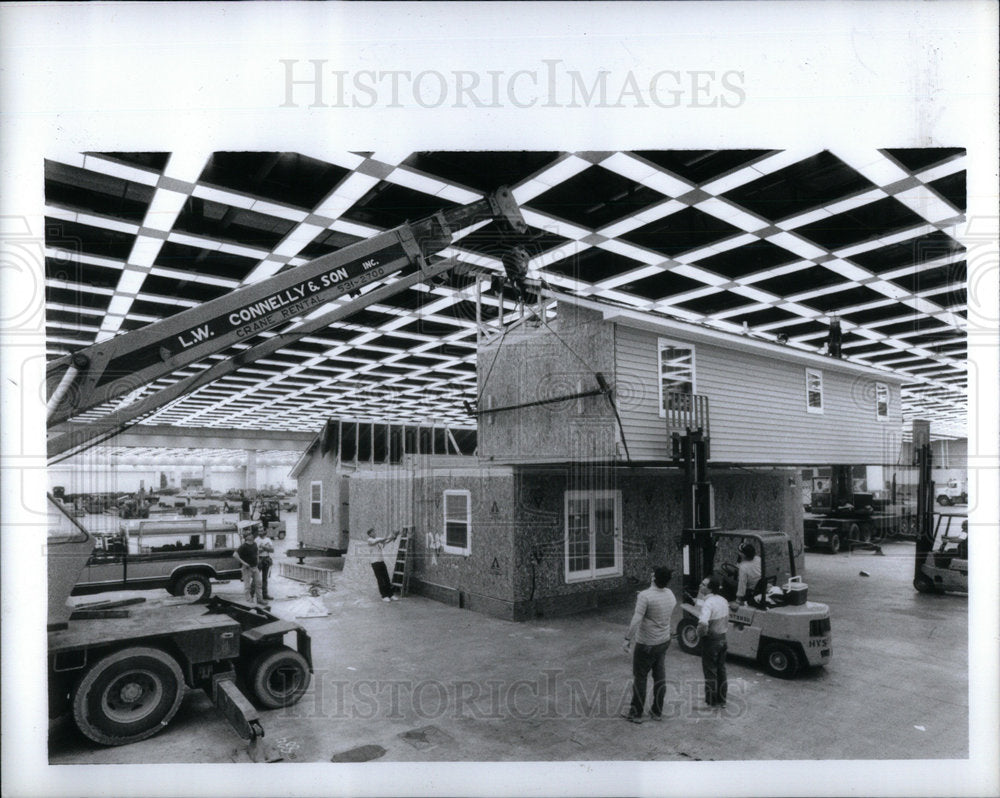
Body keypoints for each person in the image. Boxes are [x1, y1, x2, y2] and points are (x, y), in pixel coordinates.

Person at [622, 566, 676, 723]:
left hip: (646, 643)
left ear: (653, 577)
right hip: (663, 641)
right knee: (660, 677)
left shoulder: (645, 596)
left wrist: (627, 639)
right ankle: (657, 711)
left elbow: (637, 619)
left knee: (640, 677)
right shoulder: (670, 595)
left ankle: (636, 713)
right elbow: (657, 604)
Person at [696, 575, 729, 707]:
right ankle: (722, 700)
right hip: (723, 638)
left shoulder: (708, 603)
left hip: (711, 641)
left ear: (709, 589)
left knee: (710, 671)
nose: (700, 586)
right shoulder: (723, 600)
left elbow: (703, 624)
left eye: (703, 584)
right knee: (721, 670)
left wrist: (699, 635)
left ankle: (711, 701)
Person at [367, 528, 400, 602]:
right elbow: (379, 540)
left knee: (386, 578)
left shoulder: (377, 539)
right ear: (369, 534)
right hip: (375, 562)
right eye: (373, 532)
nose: (375, 533)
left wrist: (393, 537)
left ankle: (390, 595)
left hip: (381, 561)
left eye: (374, 531)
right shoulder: (370, 540)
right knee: (380, 579)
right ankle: (384, 596)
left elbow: (386, 541)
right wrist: (390, 535)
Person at [235, 529, 264, 606]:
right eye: (249, 534)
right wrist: (244, 563)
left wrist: (257, 559)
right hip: (247, 568)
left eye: (251, 534)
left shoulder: (254, 544)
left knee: (258, 583)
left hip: (255, 567)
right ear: (246, 537)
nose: (251, 535)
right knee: (247, 586)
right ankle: (249, 601)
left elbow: (257, 552)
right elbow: (235, 555)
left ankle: (260, 599)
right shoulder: (243, 546)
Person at [254, 525, 275, 601]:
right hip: (259, 559)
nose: (260, 532)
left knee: (265, 578)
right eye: (259, 531)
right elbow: (255, 551)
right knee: (255, 578)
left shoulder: (268, 539)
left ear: (265, 531)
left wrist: (263, 547)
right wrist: (266, 548)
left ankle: (265, 594)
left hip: (266, 559)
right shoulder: (256, 540)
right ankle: (251, 594)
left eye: (261, 531)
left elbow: (272, 550)